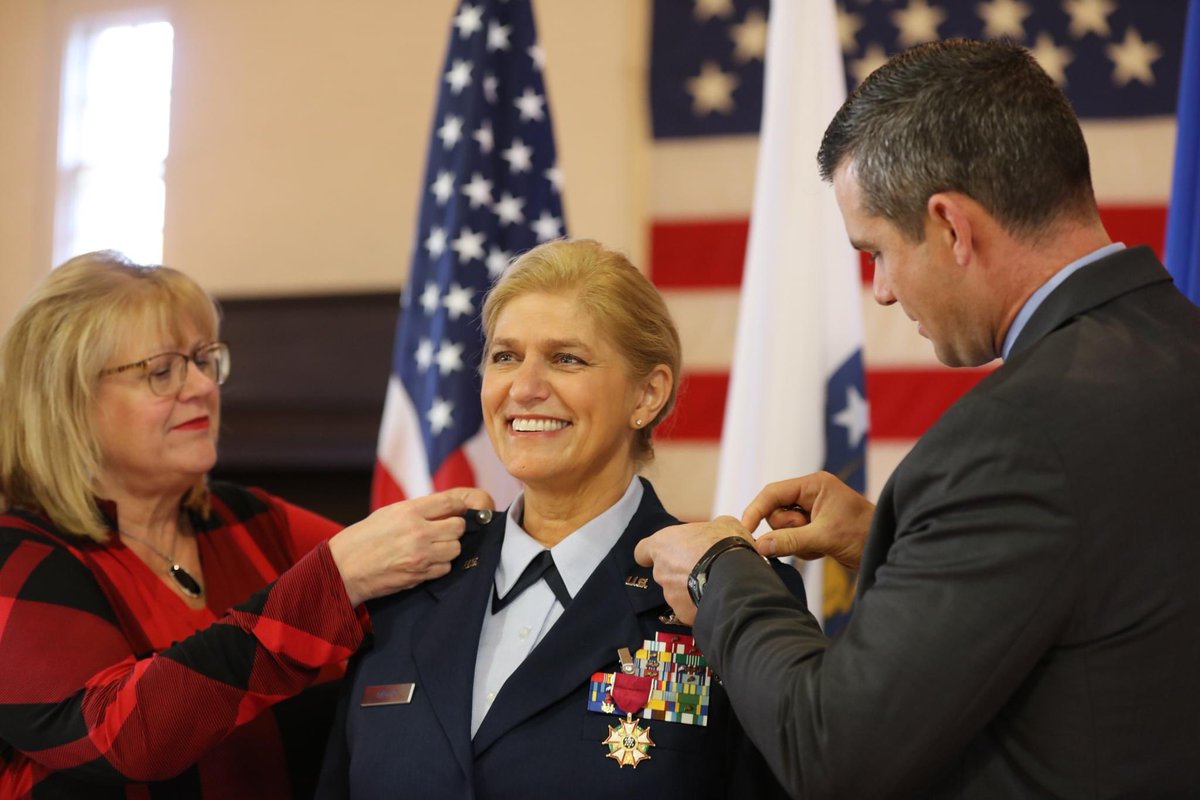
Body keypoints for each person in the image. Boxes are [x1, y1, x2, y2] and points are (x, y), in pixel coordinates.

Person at [635, 38, 1200, 798]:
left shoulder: (1012, 441)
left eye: (877, 252)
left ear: (952, 227)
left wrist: (719, 571)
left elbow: (831, 749)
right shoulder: (1175, 348)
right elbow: (1116, 584)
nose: (883, 293)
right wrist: (892, 543)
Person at [317, 239, 802, 799]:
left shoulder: (723, 589)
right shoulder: (407, 582)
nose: (524, 388)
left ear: (647, 393)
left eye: (566, 358)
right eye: (505, 356)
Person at [0, 251, 491, 799]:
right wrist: (330, 583)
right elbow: (126, 738)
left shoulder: (251, 522)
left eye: (203, 360)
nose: (201, 388)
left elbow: (399, 584)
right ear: (67, 400)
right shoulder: (18, 558)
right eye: (162, 371)